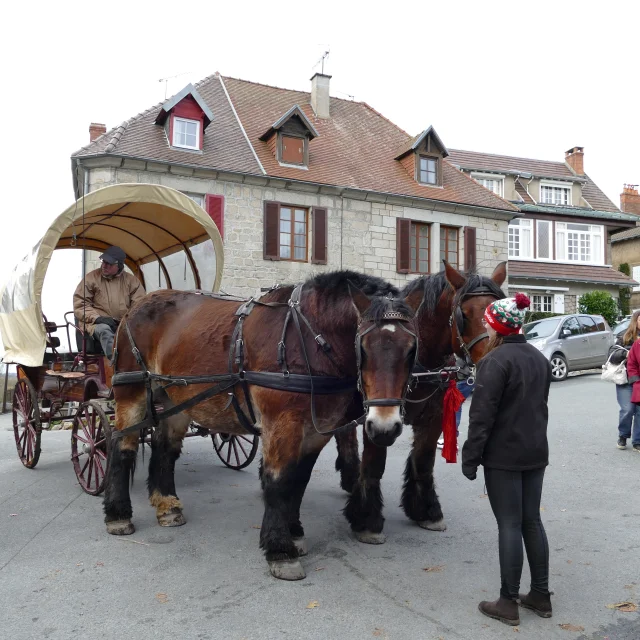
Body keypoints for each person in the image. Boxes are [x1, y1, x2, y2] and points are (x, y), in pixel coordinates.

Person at [461, 293, 553, 627]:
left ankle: (508, 600)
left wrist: (470, 459)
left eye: (487, 322)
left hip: (504, 456)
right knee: (532, 521)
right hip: (535, 452)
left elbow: (481, 418)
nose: (484, 326)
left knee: (510, 524)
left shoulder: (494, 362)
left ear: (496, 327)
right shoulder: (538, 358)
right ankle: (540, 595)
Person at [73, 246, 146, 359]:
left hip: (122, 323)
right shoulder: (91, 278)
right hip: (95, 323)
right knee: (104, 331)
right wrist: (97, 318)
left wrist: (127, 321)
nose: (104, 266)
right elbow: (80, 303)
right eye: (103, 262)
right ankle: (116, 363)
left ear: (119, 265)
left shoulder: (131, 281)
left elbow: (140, 305)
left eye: (109, 264)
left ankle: (142, 364)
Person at [610, 310, 640, 451]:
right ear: (635, 320)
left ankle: (637, 441)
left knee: (639, 411)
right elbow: (612, 354)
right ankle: (623, 435)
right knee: (627, 409)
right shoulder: (625, 336)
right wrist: (627, 353)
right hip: (626, 380)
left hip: (639, 381)